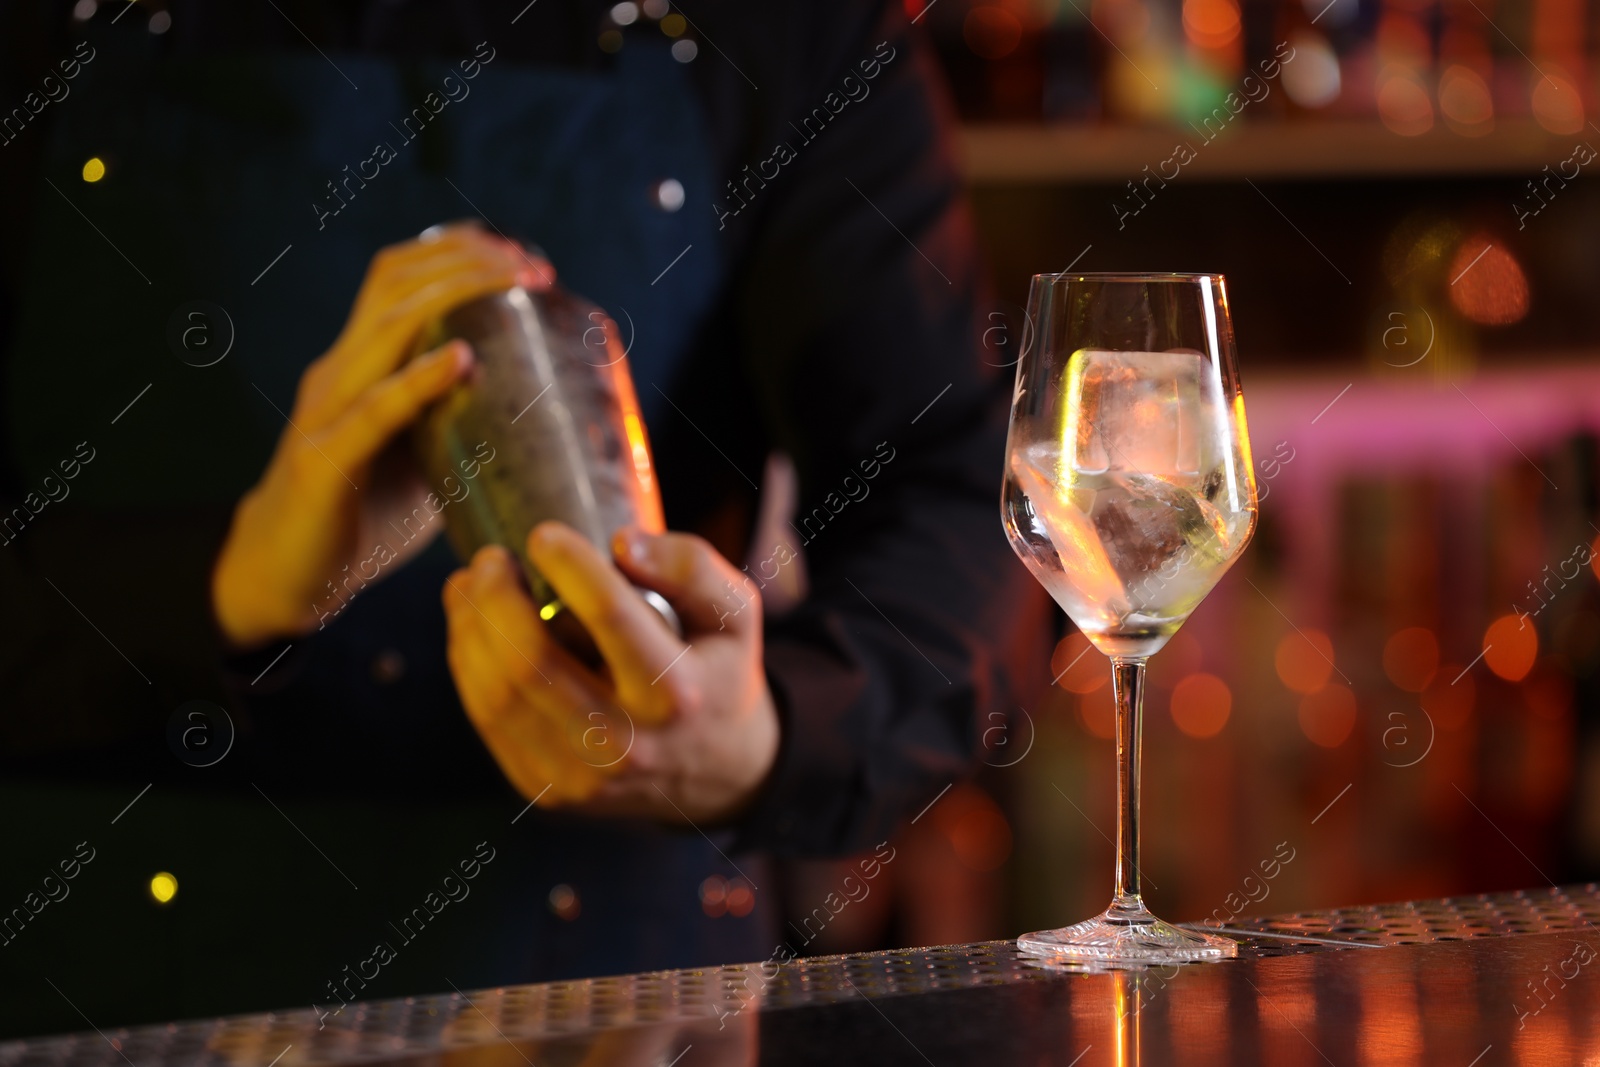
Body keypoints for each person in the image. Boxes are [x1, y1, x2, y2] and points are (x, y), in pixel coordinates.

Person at [0, 0, 1048, 1031]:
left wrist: (768, 731)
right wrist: (225, 581)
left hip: (627, 999)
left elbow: (957, 484)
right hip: (97, 988)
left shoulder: (792, 23)